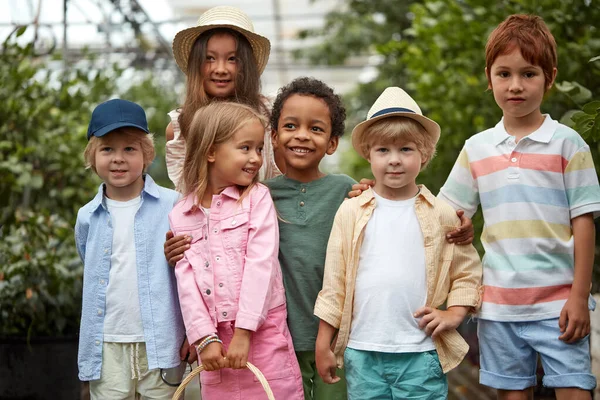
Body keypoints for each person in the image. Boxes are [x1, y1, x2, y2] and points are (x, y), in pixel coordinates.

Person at [438, 14, 600, 399]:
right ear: (489, 76)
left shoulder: (567, 143)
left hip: (560, 304)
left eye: (529, 74)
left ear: (550, 77)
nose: (515, 86)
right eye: (504, 74)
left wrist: (580, 296)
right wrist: (377, 192)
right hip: (498, 308)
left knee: (576, 390)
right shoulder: (477, 148)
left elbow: (584, 222)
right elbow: (447, 212)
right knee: (513, 395)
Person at [314, 87, 483, 400]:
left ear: (424, 155)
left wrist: (454, 313)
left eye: (406, 149)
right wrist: (324, 342)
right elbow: (334, 282)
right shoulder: (352, 211)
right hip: (363, 351)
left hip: (421, 352)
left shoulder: (442, 214)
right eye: (383, 151)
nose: (394, 160)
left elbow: (466, 271)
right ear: (368, 153)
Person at [168, 101, 304, 399]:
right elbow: (186, 281)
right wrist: (204, 338)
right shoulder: (182, 214)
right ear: (211, 152)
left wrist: (244, 332)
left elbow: (261, 264)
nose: (256, 158)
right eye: (245, 148)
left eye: (258, 149)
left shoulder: (257, 199)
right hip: (215, 341)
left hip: (263, 331)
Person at [75, 99, 185, 399]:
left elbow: (186, 270)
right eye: (107, 149)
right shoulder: (88, 215)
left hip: (161, 341)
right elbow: (91, 261)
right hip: (107, 342)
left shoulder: (172, 205)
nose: (118, 159)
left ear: (147, 155)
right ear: (92, 156)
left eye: (129, 149)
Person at [164, 5, 283, 265]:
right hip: (211, 259)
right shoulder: (181, 127)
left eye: (232, 59)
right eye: (209, 58)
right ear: (196, 64)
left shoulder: (270, 115)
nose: (221, 68)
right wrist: (177, 244)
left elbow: (292, 178)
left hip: (267, 249)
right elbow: (187, 201)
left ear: (246, 66)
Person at [264, 77, 355, 400]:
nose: (302, 135)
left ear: (332, 143)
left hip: (336, 338)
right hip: (278, 341)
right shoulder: (261, 196)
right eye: (290, 126)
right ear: (274, 136)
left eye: (316, 129)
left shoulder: (346, 190)